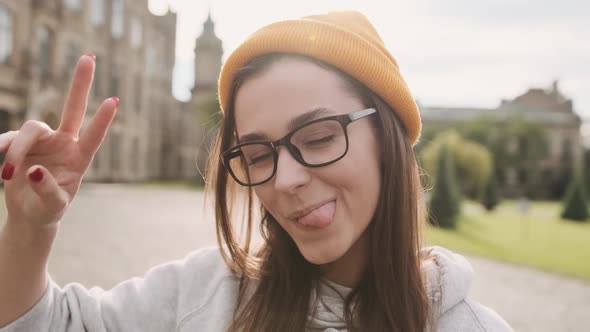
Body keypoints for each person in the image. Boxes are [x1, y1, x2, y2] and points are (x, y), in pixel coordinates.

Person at [0, 10, 512, 332]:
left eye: (318, 137)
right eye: (258, 155)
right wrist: (30, 227)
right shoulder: (203, 294)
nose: (283, 180)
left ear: (389, 137)